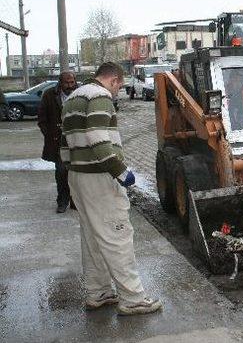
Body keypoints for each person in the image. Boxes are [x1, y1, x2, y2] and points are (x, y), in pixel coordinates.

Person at [61, 62, 162, 316]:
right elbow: (98, 138)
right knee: (118, 236)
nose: (119, 91)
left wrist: (72, 170)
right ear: (114, 80)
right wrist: (121, 173)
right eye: (120, 85)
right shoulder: (100, 96)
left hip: (78, 175)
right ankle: (133, 298)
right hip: (99, 178)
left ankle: (98, 292)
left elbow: (63, 142)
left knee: (93, 237)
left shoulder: (73, 97)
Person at [38, 71, 77, 213]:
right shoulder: (49, 95)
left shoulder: (80, 93)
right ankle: (62, 201)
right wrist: (50, 135)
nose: (69, 85)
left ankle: (75, 201)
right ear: (60, 82)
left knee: (76, 173)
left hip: (77, 141)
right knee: (61, 172)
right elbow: (42, 119)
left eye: (72, 82)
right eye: (66, 82)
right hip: (59, 142)